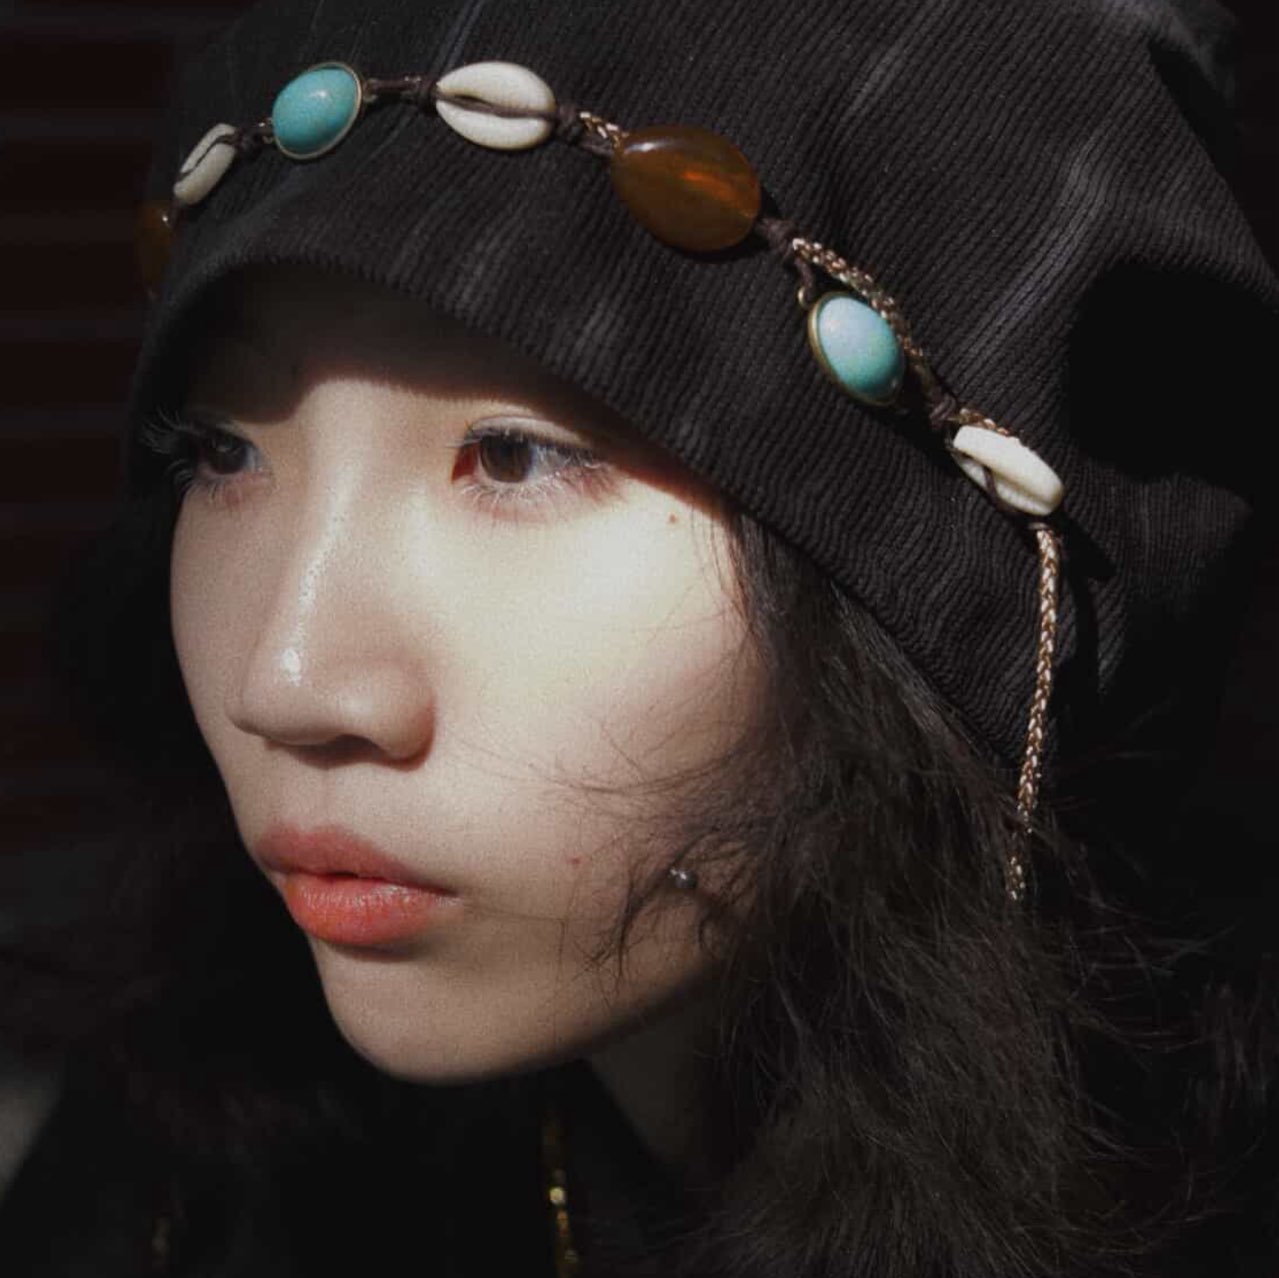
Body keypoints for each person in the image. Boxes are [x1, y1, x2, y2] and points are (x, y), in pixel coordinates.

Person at [2, 0, 1277, 1274]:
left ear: (945, 598)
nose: (285, 680)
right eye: (221, 451)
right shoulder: (197, 1162)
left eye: (515, 456)